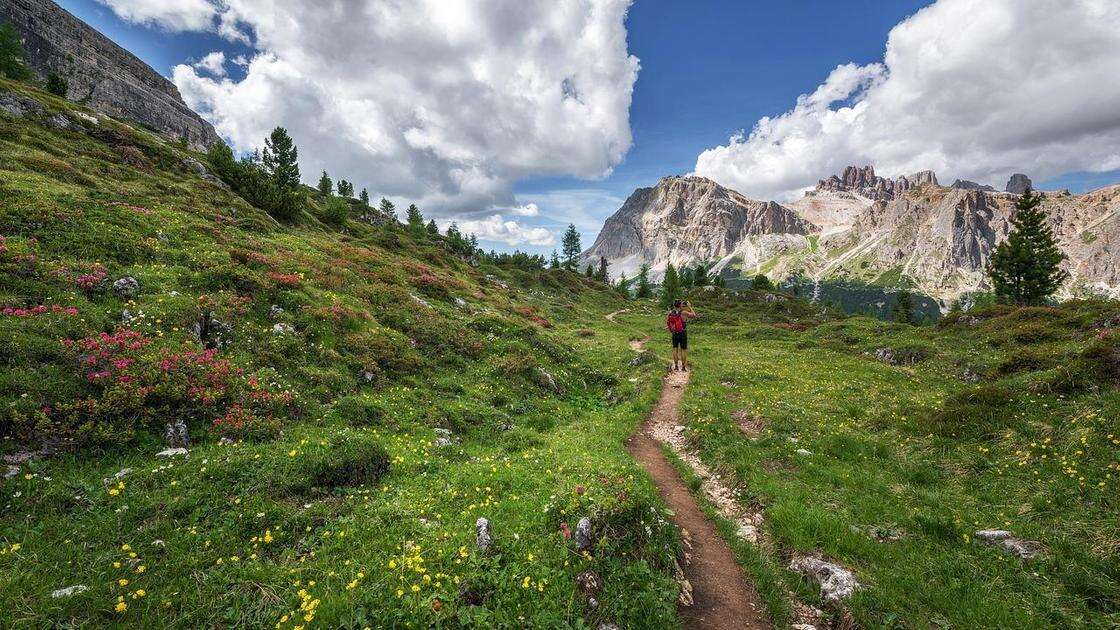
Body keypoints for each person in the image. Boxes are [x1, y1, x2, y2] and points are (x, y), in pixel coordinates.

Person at [666, 299, 697, 371]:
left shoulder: (670, 313)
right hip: (683, 333)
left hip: (674, 333)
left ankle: (676, 366)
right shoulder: (684, 313)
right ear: (680, 305)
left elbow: (669, 322)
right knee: (683, 350)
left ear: (674, 305)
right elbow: (694, 315)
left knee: (675, 349)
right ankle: (683, 367)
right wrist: (690, 307)